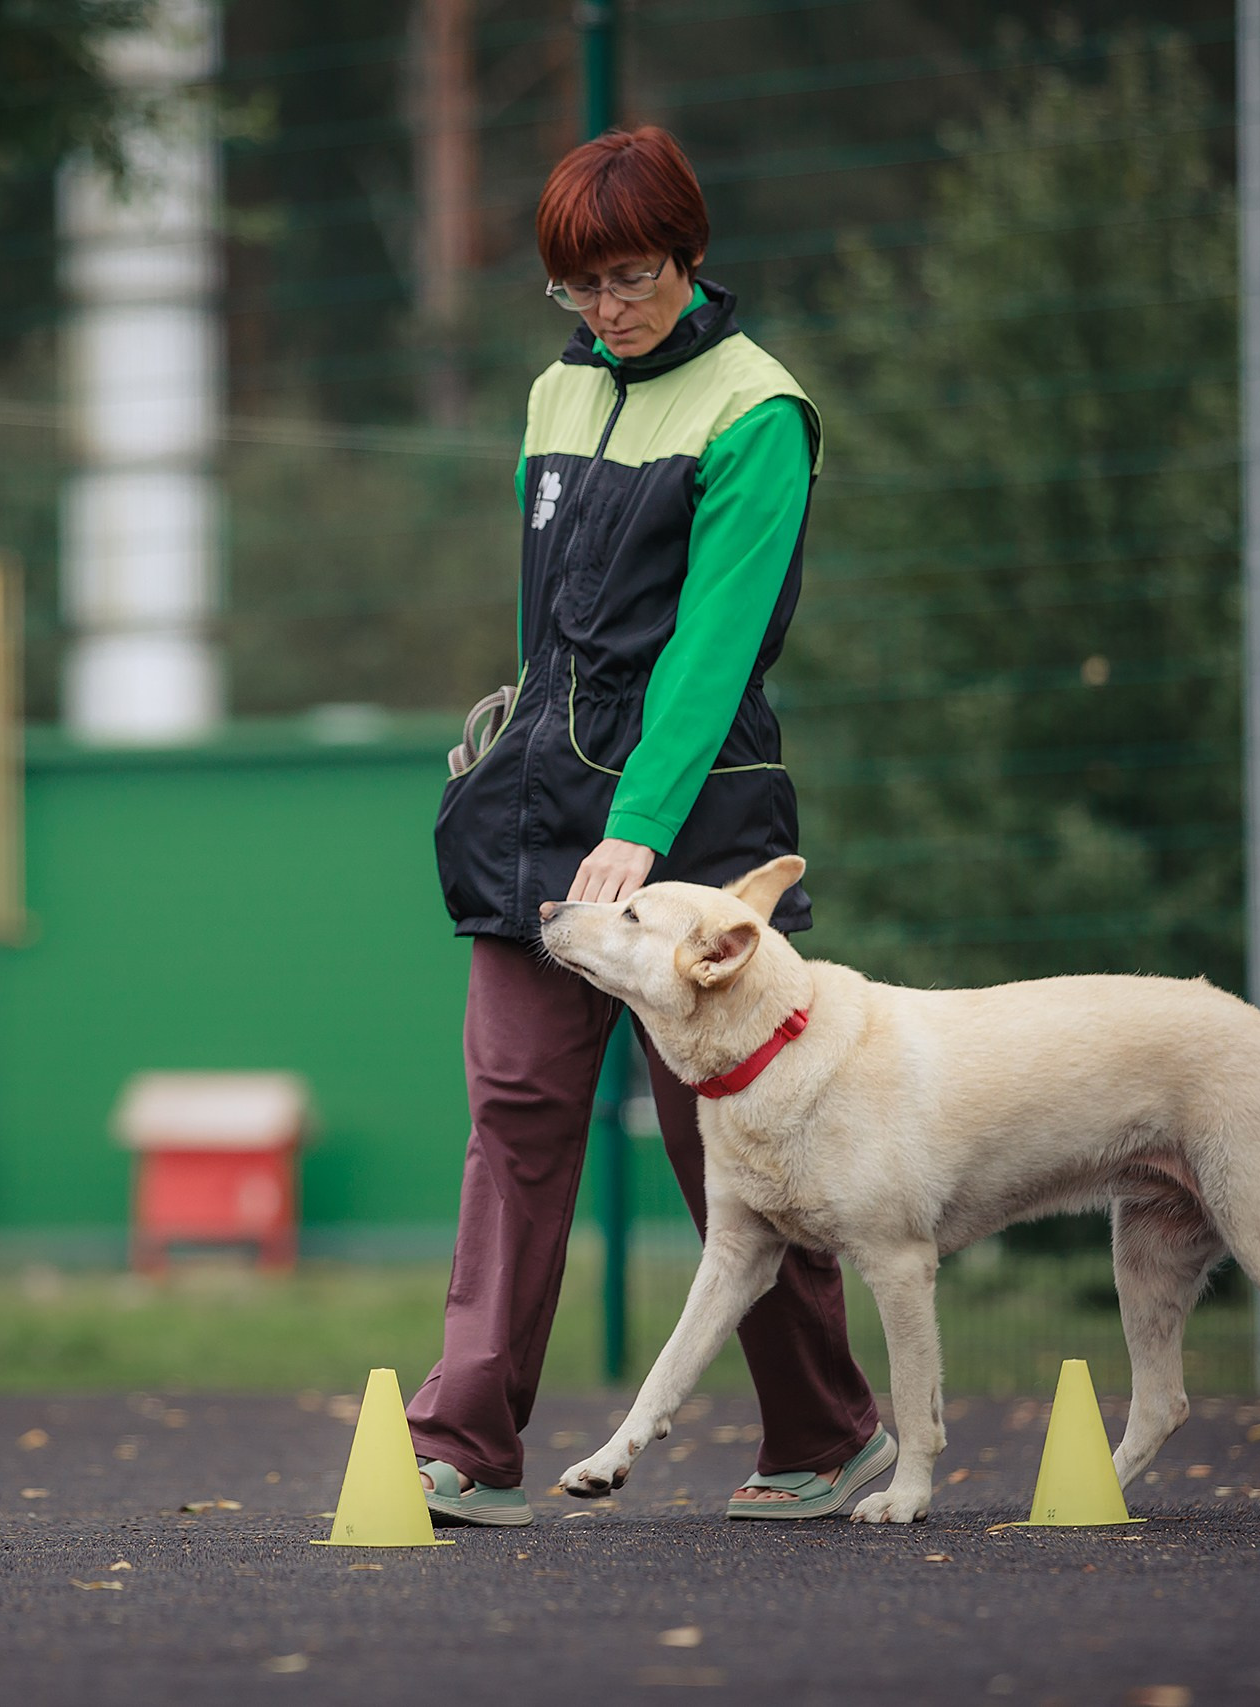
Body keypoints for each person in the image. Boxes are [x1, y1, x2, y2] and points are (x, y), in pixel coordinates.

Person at [406, 125, 890, 1525]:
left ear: (689, 259)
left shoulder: (761, 414)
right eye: (577, 288)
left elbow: (713, 652)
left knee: (733, 1143)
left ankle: (824, 1434)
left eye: (626, 280)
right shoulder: (561, 394)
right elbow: (546, 621)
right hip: (536, 809)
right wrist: (512, 754)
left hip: (695, 824)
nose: (604, 311)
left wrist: (638, 829)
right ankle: (468, 1448)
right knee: (515, 1109)